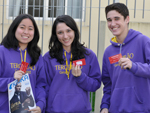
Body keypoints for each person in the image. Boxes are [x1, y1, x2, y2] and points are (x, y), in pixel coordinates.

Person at [43, 15, 101, 113]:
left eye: (68, 31)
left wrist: (81, 77)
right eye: (60, 32)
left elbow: (96, 84)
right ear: (55, 35)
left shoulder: (88, 55)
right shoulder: (48, 58)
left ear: (75, 31)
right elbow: (44, 88)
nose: (65, 36)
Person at [100, 2, 150, 113]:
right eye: (109, 20)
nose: (112, 24)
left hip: (141, 109)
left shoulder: (143, 41)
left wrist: (134, 66)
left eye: (116, 19)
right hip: (115, 109)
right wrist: (105, 106)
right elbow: (108, 85)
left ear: (127, 19)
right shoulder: (108, 52)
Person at [0, 14, 47, 113]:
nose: (26, 32)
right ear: (14, 29)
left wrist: (40, 105)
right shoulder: (2, 52)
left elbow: (40, 85)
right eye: (22, 27)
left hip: (30, 110)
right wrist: (12, 80)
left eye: (30, 29)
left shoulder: (37, 56)